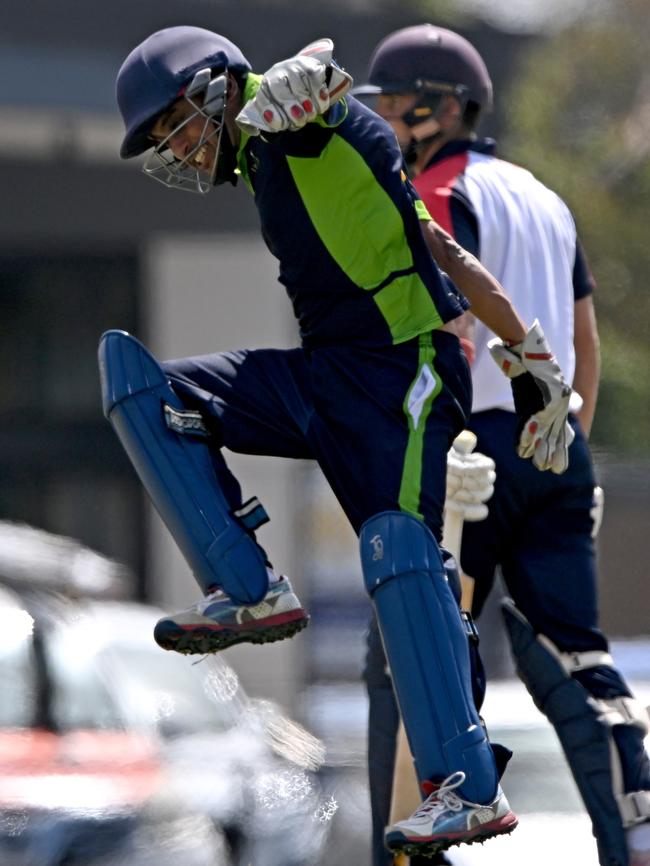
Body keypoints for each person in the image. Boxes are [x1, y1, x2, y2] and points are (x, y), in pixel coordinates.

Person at [104, 25, 576, 860]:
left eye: (177, 124)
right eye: (162, 141)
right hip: (326, 377)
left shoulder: (297, 122)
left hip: (408, 370)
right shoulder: (257, 160)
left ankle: (465, 788)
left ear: (218, 87)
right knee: (141, 378)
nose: (176, 148)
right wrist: (529, 353)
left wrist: (312, 92)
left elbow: (321, 107)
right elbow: (436, 241)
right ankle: (248, 587)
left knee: (397, 546)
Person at [356, 23, 650, 866]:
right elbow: (583, 344)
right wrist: (573, 456)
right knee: (576, 659)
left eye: (394, 106)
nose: (386, 123)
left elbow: (453, 321)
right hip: (555, 445)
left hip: (469, 453)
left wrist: (437, 447)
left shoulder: (437, 193)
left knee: (415, 658)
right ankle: (630, 832)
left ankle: (411, 857)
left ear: (439, 107)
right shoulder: (545, 196)